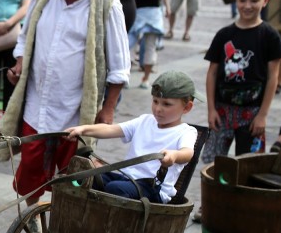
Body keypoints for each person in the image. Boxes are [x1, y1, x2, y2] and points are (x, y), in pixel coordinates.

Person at [3, 0, 131, 233]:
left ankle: (64, 224)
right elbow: (26, 36)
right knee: (31, 167)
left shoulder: (108, 3)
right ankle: (32, 220)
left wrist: (108, 109)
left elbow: (120, 65)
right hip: (38, 102)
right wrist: (19, 62)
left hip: (76, 108)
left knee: (72, 174)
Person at [66, 71, 200, 203]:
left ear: (187, 107)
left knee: (115, 188)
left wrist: (175, 155)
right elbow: (111, 129)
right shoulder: (144, 121)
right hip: (126, 178)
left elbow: (187, 153)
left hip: (153, 188)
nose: (158, 109)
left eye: (166, 104)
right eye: (155, 101)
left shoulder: (186, 132)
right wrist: (83, 129)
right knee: (84, 176)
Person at [203, 0, 281, 162]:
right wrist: (211, 110)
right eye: (243, 0)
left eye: (254, 0)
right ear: (236, 0)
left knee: (248, 164)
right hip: (221, 111)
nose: (248, 5)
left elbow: (273, 76)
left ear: (265, 1)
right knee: (214, 164)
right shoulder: (224, 35)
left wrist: (263, 115)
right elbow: (212, 73)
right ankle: (217, 193)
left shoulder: (270, 36)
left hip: (252, 113)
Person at [129, 0, 168, 88]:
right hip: (153, 12)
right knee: (150, 46)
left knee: (129, 45)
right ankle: (145, 79)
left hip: (137, 10)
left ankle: (125, 77)